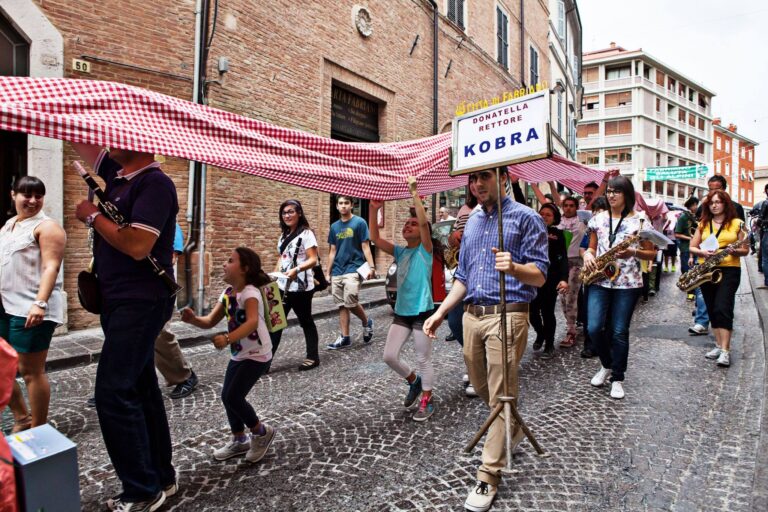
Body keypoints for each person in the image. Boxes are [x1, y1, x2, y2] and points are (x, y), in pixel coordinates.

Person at [423, 168, 549, 512]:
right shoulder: (473, 221)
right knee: (483, 388)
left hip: (508, 315)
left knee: (500, 396)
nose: (477, 185)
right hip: (471, 317)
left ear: (503, 177)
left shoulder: (527, 218)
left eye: (484, 177)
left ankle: (488, 474)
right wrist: (441, 311)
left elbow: (540, 275)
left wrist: (516, 268)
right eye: (472, 179)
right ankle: (514, 428)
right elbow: (463, 276)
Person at [73, 143, 178, 511]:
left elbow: (137, 244)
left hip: (141, 301)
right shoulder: (119, 176)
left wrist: (90, 216)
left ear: (135, 141)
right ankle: (160, 477)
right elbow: (84, 145)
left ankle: (141, 491)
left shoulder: (154, 184)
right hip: (120, 301)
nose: (105, 141)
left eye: (113, 134)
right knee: (140, 387)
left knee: (113, 392)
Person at [180, 247, 276, 462]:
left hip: (258, 353)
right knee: (227, 396)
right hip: (241, 352)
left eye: (230, 261)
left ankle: (261, 432)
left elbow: (251, 322)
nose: (224, 264)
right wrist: (193, 319)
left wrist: (228, 338)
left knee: (233, 396)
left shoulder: (250, 293)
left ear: (244, 269)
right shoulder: (227, 294)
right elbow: (210, 322)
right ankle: (239, 440)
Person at [0, 176, 65, 433]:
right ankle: (21, 418)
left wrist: (40, 303)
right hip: (5, 306)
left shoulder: (47, 227)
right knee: (2, 368)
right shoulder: (8, 226)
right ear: (13, 195)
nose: (33, 201)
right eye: (26, 195)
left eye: (38, 195)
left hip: (31, 309)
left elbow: (52, 266)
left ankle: (38, 430)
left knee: (30, 371)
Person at [370, 177, 438, 421]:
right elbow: (375, 239)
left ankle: (427, 400)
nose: (408, 226)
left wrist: (414, 193)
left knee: (423, 358)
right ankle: (414, 381)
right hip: (402, 311)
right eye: (406, 224)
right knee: (389, 356)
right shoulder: (401, 251)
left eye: (413, 224)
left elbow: (422, 220)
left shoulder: (425, 250)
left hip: (421, 312)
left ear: (423, 232)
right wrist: (373, 208)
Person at [582, 176, 655, 400]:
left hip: (628, 282)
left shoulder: (641, 221)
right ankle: (606, 364)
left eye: (616, 192)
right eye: (609, 191)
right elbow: (591, 247)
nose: (611, 195)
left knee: (619, 331)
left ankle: (618, 378)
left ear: (627, 195)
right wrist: (587, 255)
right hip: (600, 280)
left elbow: (651, 252)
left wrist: (632, 252)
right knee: (594, 328)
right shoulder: (598, 219)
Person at [688, 190, 749, 367]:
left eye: (718, 202)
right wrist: (702, 252)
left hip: (729, 269)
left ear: (725, 204)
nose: (714, 205)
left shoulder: (738, 224)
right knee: (713, 308)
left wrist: (735, 250)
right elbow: (692, 247)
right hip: (708, 269)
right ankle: (717, 344)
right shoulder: (703, 224)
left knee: (723, 307)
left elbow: (745, 250)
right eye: (711, 202)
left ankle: (725, 351)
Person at [270, 200, 320, 371]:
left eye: (291, 212)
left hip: (301, 287)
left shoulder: (306, 234)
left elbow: (313, 259)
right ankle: (264, 362)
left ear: (299, 213)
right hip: (282, 285)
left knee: (306, 321)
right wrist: (274, 276)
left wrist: (297, 270)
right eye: (284, 213)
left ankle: (313, 357)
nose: (287, 215)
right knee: (275, 324)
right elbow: (281, 258)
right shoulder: (283, 235)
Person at [154, 222, 198, 399]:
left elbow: (171, 257)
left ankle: (184, 376)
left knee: (160, 333)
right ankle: (115, 385)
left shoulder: (168, 221)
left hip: (156, 284)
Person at [325, 196, 375, 349]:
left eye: (346, 203)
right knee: (341, 305)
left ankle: (367, 322)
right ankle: (345, 337)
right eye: (340, 203)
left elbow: (365, 246)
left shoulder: (359, 223)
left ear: (352, 205)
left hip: (354, 267)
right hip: (338, 270)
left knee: (350, 300)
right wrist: (328, 272)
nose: (343, 206)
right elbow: (332, 251)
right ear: (337, 206)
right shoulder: (334, 227)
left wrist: (372, 267)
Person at [446, 178, 480, 397]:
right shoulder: (464, 209)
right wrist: (454, 236)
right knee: (456, 322)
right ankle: (474, 363)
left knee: (478, 326)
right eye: (473, 181)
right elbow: (452, 239)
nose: (476, 185)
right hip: (462, 271)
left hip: (482, 275)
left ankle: (477, 369)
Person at [530, 203, 568, 359]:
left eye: (548, 215)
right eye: (542, 213)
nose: (544, 216)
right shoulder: (531, 230)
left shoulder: (558, 234)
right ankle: (541, 333)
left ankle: (549, 345)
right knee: (532, 312)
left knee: (547, 312)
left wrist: (564, 279)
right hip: (531, 277)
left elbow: (563, 259)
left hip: (550, 279)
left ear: (554, 218)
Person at [578, 197, 609, 359]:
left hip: (610, 274)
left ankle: (604, 344)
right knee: (588, 312)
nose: (597, 214)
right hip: (592, 272)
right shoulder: (591, 228)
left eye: (600, 210)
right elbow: (582, 249)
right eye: (595, 211)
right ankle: (589, 345)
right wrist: (587, 256)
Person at [558, 196, 586, 348]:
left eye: (571, 205)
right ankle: (570, 326)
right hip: (560, 263)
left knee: (571, 296)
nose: (568, 208)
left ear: (576, 207)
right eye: (565, 205)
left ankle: (571, 331)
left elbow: (593, 199)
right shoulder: (559, 221)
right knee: (562, 296)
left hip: (575, 262)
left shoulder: (581, 220)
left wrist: (605, 182)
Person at [674, 197, 699, 300]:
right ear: (690, 206)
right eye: (694, 204)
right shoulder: (683, 217)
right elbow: (677, 234)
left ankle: (694, 289)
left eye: (696, 204)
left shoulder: (696, 217)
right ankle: (690, 291)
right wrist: (690, 237)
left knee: (695, 270)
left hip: (697, 247)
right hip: (686, 248)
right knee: (687, 270)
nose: (696, 207)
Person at [754, 184, 768, 287]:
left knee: (765, 258)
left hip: (767, 232)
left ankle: (767, 281)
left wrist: (756, 221)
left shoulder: (765, 203)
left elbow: (760, 220)